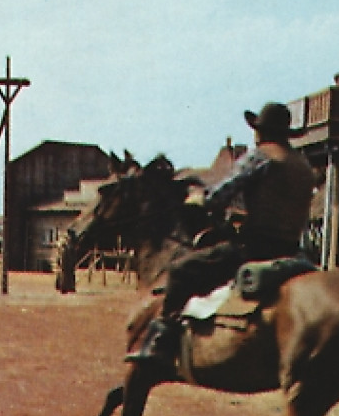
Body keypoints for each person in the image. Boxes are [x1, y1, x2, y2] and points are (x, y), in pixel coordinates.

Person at [127, 101, 316, 363]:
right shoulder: (302, 164)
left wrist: (198, 197)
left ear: (259, 131)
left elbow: (221, 193)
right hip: (294, 251)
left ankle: (161, 343)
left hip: (255, 248)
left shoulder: (261, 155)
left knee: (181, 271)